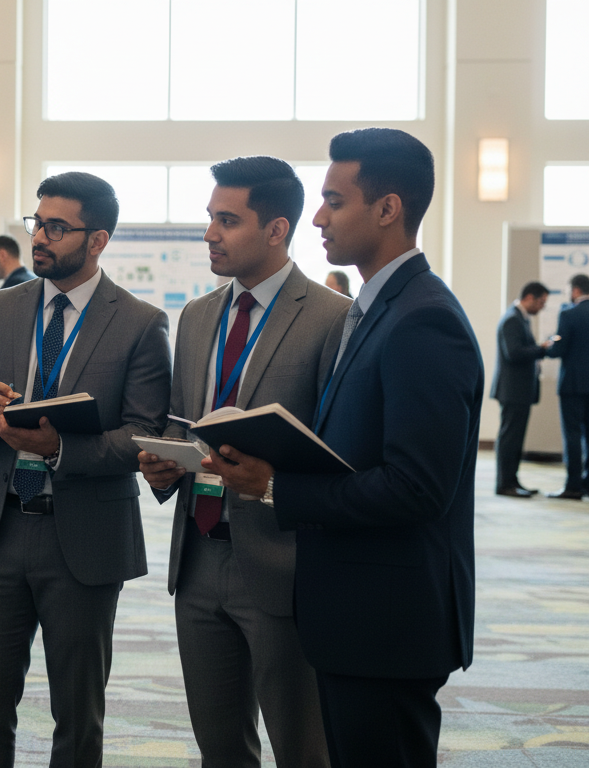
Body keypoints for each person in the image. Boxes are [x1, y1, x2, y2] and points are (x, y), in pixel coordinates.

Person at [195, 128, 482, 768]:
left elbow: (416, 488)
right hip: (354, 615)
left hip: (387, 622)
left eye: (333, 199)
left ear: (388, 209)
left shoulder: (422, 320)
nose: (317, 217)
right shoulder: (379, 310)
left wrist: (274, 486)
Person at [0, 171, 172, 767]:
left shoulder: (140, 323)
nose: (39, 238)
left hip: (83, 539)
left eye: (56, 227)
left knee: (78, 714)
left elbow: (145, 436)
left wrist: (59, 451)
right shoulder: (2, 308)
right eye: (36, 223)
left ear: (96, 240)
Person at [138, 156, 345, 767]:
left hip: (283, 562)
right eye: (209, 218)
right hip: (198, 556)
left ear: (277, 229)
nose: (209, 233)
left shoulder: (332, 321)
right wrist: (163, 467)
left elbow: (339, 452)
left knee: (302, 746)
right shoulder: (198, 316)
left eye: (227, 220)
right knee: (220, 747)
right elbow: (182, 422)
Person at [492, 281, 552, 497]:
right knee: (510, 439)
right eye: (541, 302)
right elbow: (514, 353)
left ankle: (512, 480)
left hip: (519, 391)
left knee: (515, 439)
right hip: (513, 390)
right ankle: (504, 484)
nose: (542, 307)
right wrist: (541, 349)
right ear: (529, 297)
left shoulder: (520, 319)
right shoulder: (512, 320)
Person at [546, 273, 589, 499]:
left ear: (575, 290)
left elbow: (558, 351)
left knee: (572, 435)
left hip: (572, 386)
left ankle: (573, 487)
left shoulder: (568, 314)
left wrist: (550, 342)